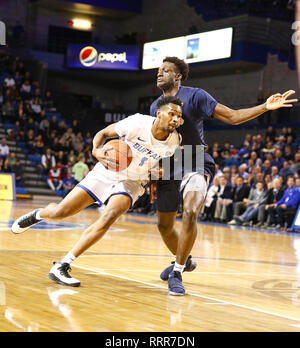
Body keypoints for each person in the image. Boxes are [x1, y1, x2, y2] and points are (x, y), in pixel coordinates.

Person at [150, 56, 297, 295]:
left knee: (190, 211)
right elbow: (156, 141)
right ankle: (185, 259)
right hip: (169, 164)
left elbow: (232, 116)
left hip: (194, 159)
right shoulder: (155, 105)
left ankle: (177, 271)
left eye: (165, 70)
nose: (160, 74)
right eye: (159, 70)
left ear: (177, 75)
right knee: (164, 226)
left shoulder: (196, 95)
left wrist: (264, 107)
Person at [11, 96, 183, 288]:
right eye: (172, 113)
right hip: (107, 171)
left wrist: (158, 172)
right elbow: (103, 133)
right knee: (61, 212)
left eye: (179, 116)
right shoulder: (137, 123)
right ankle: (39, 214)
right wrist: (96, 151)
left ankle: (63, 264)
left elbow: (163, 167)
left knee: (109, 216)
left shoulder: (174, 141)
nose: (176, 119)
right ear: (159, 113)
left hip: (132, 182)